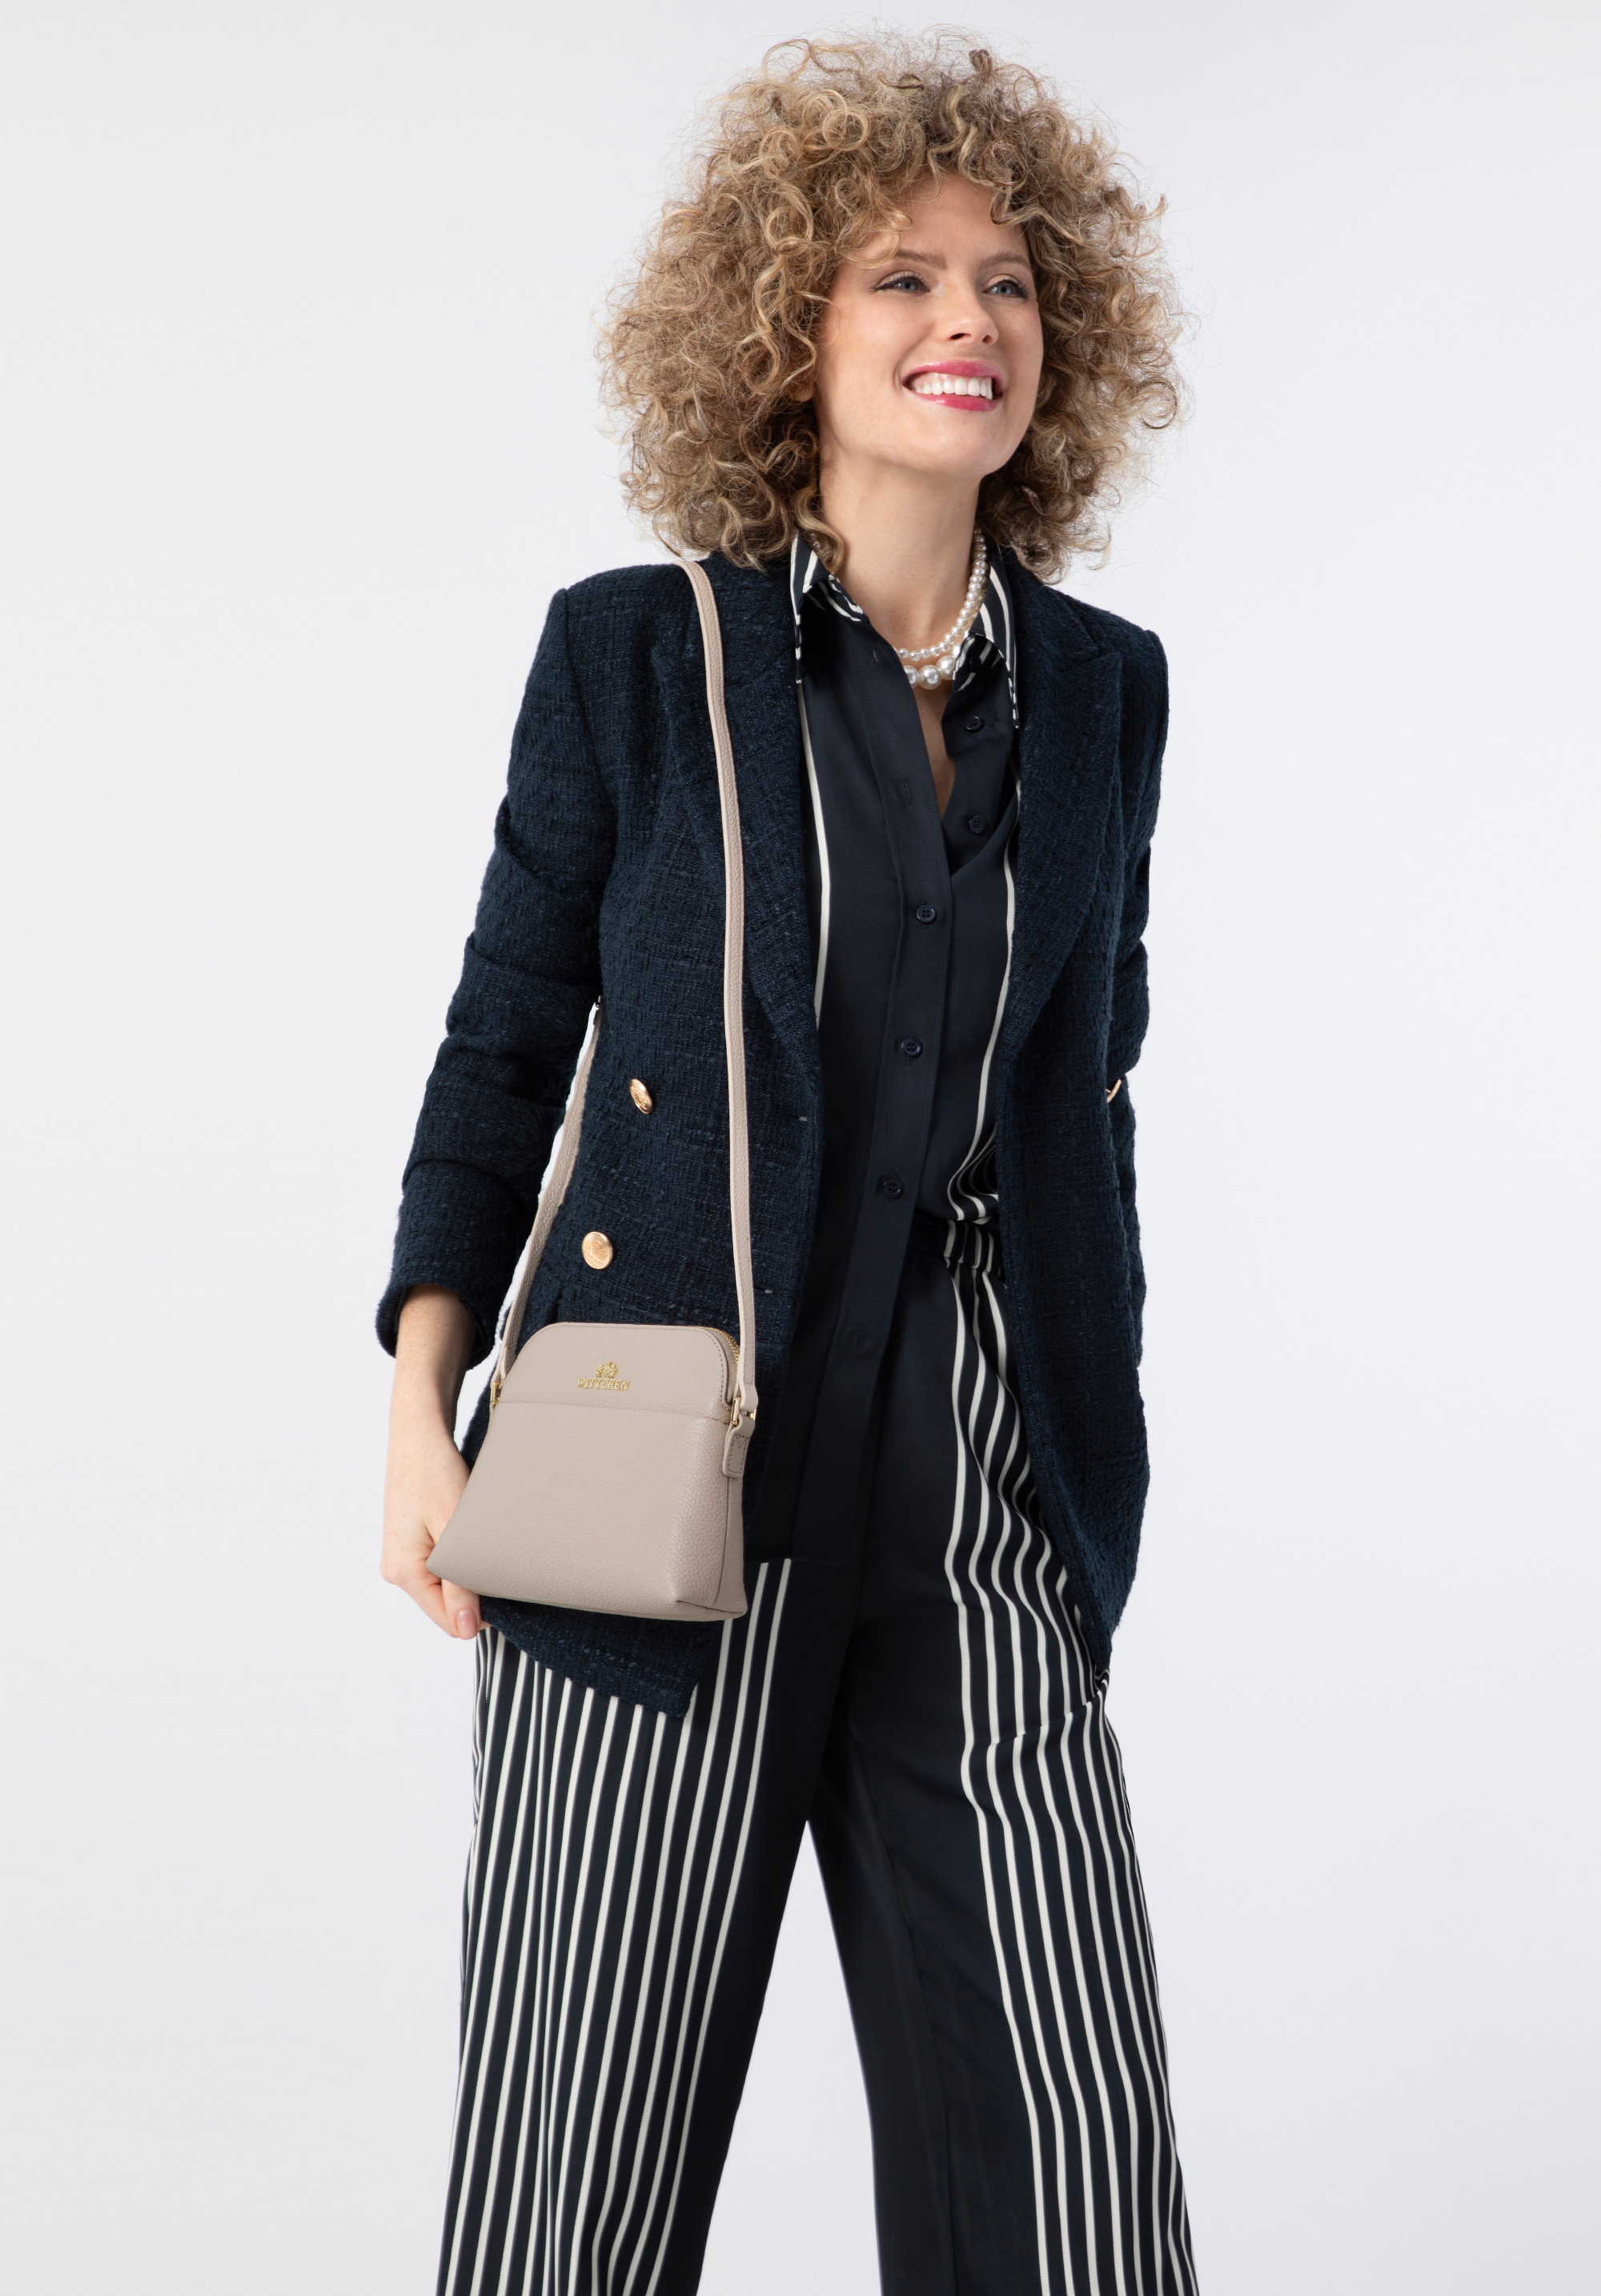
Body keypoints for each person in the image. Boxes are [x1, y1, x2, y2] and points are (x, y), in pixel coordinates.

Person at [378, 34, 1194, 2296]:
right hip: (642, 1495)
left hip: (978, 1515)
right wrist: (419, 1402)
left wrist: (1087, 1479)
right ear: (785, 331)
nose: (968, 320)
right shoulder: (638, 659)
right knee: (573, 2201)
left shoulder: (1106, 694)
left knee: (1081, 2195)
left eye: (1008, 279)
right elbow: (503, 1044)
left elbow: (1090, 1088)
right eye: (899, 278)